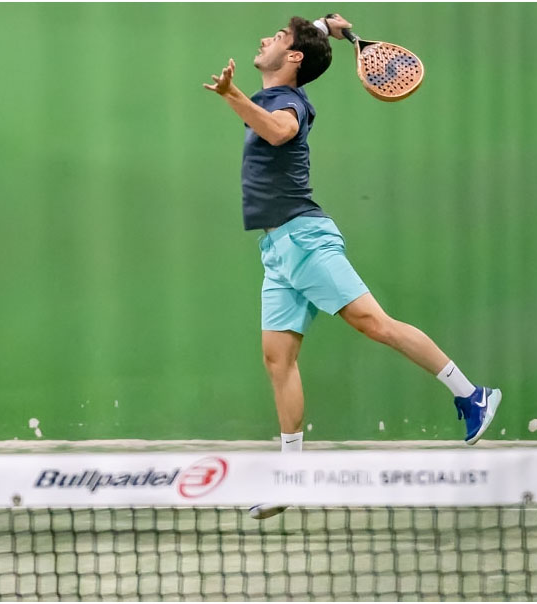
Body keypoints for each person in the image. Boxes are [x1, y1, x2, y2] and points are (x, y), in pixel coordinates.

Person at [203, 14, 502, 519]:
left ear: (293, 58)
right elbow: (305, 42)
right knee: (278, 360)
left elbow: (279, 132)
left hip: (304, 238)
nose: (265, 38)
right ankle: (293, 477)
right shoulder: (278, 89)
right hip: (276, 249)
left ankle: (472, 395)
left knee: (374, 324)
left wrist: (232, 95)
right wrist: (329, 26)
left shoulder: (289, 103)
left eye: (278, 37)